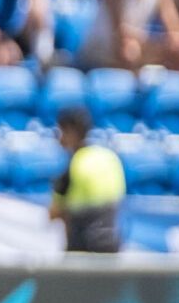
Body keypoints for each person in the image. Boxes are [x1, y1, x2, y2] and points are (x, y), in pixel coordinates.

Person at [48, 105, 124, 253]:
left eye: (61, 131)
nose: (59, 137)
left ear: (70, 132)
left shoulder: (75, 164)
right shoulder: (110, 157)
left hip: (83, 248)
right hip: (111, 245)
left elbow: (54, 212)